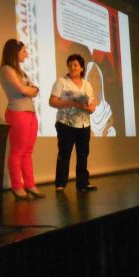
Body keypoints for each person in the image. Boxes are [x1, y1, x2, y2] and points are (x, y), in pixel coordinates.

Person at [0, 39, 44, 200]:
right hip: (17, 112)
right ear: (14, 52)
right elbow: (22, 89)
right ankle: (17, 187)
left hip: (30, 113)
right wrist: (30, 90)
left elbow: (34, 89)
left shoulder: (21, 72)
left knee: (28, 151)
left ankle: (30, 184)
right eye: (24, 51)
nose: (26, 54)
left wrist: (30, 90)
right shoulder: (6, 69)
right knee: (17, 151)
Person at [49, 54, 97, 192]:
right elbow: (52, 101)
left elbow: (92, 103)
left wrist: (91, 108)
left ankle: (82, 183)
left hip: (84, 123)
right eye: (70, 65)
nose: (72, 67)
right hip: (65, 123)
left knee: (83, 154)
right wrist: (71, 102)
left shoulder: (87, 84)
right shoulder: (62, 81)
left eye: (75, 65)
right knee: (64, 153)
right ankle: (60, 184)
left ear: (82, 68)